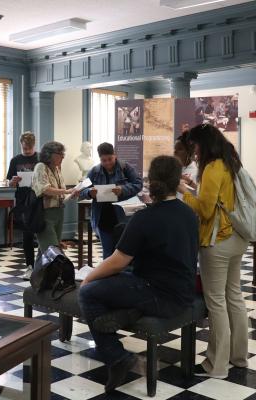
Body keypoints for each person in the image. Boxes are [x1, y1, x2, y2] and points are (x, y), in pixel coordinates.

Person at [79, 155, 199, 394]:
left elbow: (116, 262)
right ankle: (128, 312)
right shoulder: (188, 213)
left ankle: (117, 356)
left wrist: (88, 278)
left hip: (158, 295)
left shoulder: (145, 217)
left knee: (89, 294)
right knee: (127, 280)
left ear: (150, 181)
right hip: (184, 291)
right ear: (177, 182)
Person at [178, 123, 249, 379]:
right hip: (236, 237)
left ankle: (216, 366)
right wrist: (194, 190)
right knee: (234, 297)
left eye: (195, 146)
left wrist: (183, 192)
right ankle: (239, 357)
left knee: (216, 302)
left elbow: (206, 210)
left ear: (204, 144)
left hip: (217, 241)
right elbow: (217, 199)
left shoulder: (211, 166)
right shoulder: (229, 162)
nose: (194, 152)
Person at [80, 142, 142, 259]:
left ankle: (124, 276)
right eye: (104, 160)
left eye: (110, 159)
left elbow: (138, 184)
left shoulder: (126, 168)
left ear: (115, 155)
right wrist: (89, 192)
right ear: (100, 159)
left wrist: (123, 189)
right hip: (103, 217)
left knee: (124, 252)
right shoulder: (94, 171)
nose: (107, 163)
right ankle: (106, 276)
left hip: (123, 217)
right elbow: (82, 190)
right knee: (107, 252)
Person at [32, 141, 77, 254]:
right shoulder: (41, 167)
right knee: (52, 251)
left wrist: (71, 194)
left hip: (59, 213)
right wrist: (66, 191)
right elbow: (44, 189)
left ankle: (38, 272)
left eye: (63, 154)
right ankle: (55, 272)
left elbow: (59, 194)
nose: (62, 157)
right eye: (60, 154)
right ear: (49, 154)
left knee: (45, 252)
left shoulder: (57, 169)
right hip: (45, 214)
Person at [6, 132, 39, 280]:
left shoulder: (40, 159)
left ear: (34, 145)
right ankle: (29, 266)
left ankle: (42, 266)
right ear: (21, 144)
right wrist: (12, 181)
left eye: (29, 147)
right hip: (22, 200)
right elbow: (9, 182)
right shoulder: (15, 160)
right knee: (27, 235)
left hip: (39, 199)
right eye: (24, 147)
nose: (26, 150)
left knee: (43, 233)